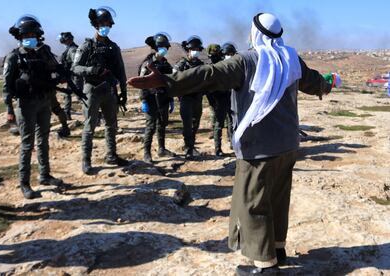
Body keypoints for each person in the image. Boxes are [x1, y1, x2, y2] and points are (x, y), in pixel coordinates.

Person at [128, 13, 340, 274]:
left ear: (255, 34)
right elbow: (316, 82)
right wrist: (329, 82)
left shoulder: (247, 61)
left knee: (253, 202)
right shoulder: (291, 58)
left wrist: (167, 82)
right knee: (277, 197)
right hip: (288, 143)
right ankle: (277, 248)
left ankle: (264, 264)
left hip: (259, 145)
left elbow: (209, 74)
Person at [4, 15, 64, 199]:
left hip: (44, 102)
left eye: (33, 34)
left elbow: (55, 71)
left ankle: (45, 175)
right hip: (26, 105)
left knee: (43, 140)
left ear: (38, 35)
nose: (30, 37)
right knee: (27, 144)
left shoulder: (42, 54)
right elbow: (7, 85)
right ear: (20, 36)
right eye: (26, 34)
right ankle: (24, 183)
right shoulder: (14, 56)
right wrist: (9, 110)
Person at [72, 6, 129, 175]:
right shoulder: (86, 46)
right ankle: (86, 160)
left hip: (109, 90)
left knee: (112, 125)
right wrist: (91, 71)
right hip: (92, 90)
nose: (106, 26)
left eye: (108, 24)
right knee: (90, 126)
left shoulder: (113, 47)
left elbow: (121, 70)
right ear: (96, 24)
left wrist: (123, 91)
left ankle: (111, 155)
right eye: (103, 23)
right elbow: (75, 68)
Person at [139, 33, 176, 163]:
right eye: (163, 47)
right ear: (157, 47)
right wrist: (143, 100)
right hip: (150, 99)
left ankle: (161, 149)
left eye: (166, 47)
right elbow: (141, 83)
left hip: (163, 98)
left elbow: (170, 81)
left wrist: (171, 98)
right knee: (150, 126)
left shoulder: (165, 63)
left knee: (162, 124)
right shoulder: (148, 63)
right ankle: (147, 153)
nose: (165, 49)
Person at [174, 36, 205, 159]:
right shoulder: (181, 64)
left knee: (195, 124)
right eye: (193, 49)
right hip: (186, 98)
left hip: (198, 98)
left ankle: (191, 146)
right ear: (188, 50)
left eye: (197, 49)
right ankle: (188, 148)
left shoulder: (201, 64)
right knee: (187, 125)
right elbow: (174, 79)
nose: (195, 51)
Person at [205, 44, 231, 156]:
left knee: (231, 121)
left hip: (227, 96)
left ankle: (232, 143)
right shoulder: (208, 68)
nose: (215, 56)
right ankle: (218, 148)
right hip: (217, 99)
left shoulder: (224, 65)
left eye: (217, 54)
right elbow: (206, 87)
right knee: (218, 124)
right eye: (213, 54)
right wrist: (212, 101)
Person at [58, 31, 83, 120]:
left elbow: (75, 63)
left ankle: (95, 113)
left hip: (74, 76)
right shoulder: (69, 48)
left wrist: (70, 72)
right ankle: (67, 113)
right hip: (70, 76)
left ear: (68, 39)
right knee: (67, 94)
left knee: (79, 96)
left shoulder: (72, 49)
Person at [221, 42, 237, 147]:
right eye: (227, 54)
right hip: (222, 98)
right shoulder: (220, 68)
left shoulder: (236, 67)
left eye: (231, 54)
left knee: (232, 120)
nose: (229, 57)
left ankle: (232, 140)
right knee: (220, 122)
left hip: (233, 97)